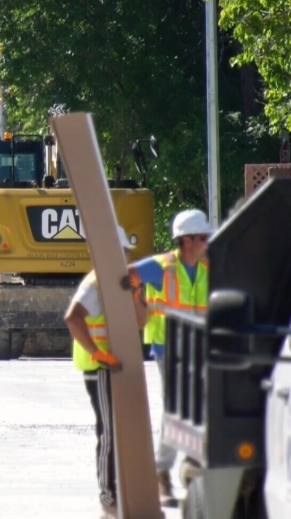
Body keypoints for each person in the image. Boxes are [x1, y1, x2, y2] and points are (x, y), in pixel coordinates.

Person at [129, 208, 212, 507]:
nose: (207, 242)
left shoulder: (207, 268)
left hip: (199, 347)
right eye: (203, 237)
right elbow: (127, 277)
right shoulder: (161, 267)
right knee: (178, 409)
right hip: (168, 347)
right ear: (187, 240)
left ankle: (191, 465)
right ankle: (161, 472)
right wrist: (139, 305)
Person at [63, 225, 145, 513]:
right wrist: (98, 353)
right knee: (109, 431)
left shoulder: (119, 282)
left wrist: (135, 294)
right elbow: (73, 319)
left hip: (116, 366)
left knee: (120, 431)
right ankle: (108, 496)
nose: (125, 257)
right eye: (121, 253)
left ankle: (117, 490)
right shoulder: (95, 283)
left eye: (126, 253)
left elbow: (141, 322)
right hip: (99, 368)